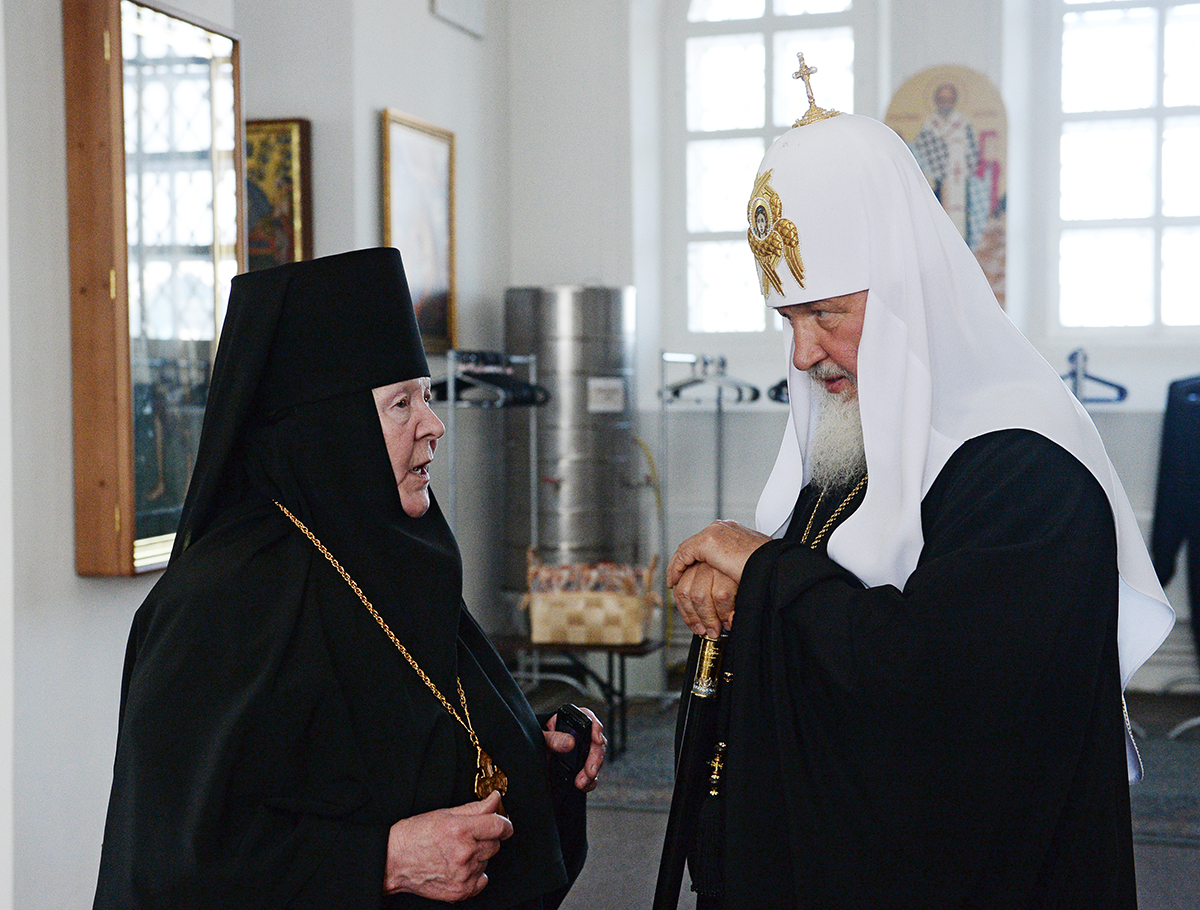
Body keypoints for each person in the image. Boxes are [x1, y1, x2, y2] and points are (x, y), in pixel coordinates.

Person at [666, 75, 1175, 909]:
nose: (802, 355)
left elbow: (932, 702)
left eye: (825, 314)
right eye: (787, 320)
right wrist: (740, 593)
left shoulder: (1029, 471)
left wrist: (760, 570)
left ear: (907, 293)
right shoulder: (855, 445)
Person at [93, 248, 605, 909]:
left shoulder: (399, 558)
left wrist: (537, 747)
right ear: (329, 428)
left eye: (426, 397)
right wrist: (383, 862)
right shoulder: (221, 598)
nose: (434, 425)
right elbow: (171, 858)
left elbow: (407, 743)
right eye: (401, 404)